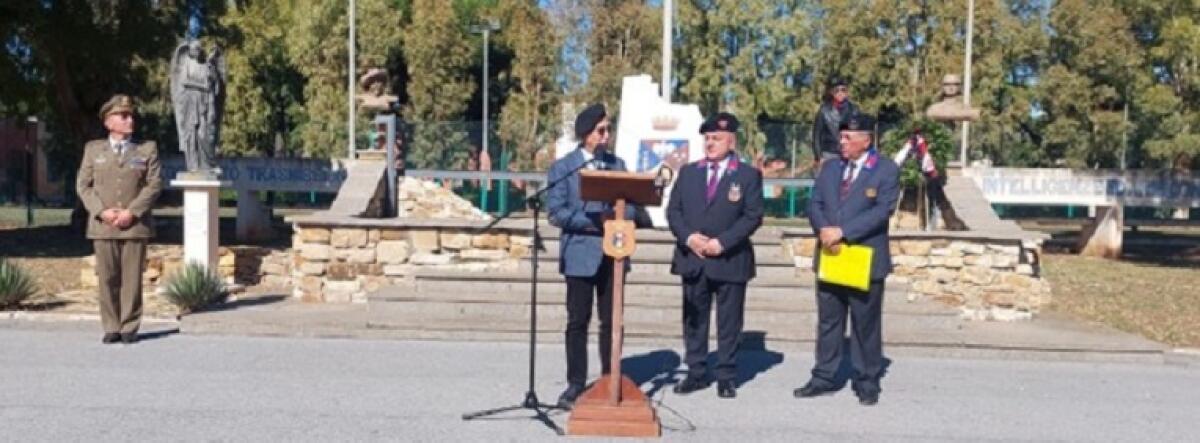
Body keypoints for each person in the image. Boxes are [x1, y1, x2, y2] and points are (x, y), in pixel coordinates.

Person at [794, 113, 899, 406]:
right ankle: (823, 377)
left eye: (848, 137)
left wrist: (843, 232)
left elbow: (882, 211)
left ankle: (867, 380)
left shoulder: (886, 169)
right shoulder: (830, 168)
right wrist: (823, 229)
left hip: (862, 257)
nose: (841, 142)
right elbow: (815, 204)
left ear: (866, 140)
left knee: (865, 323)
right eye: (841, 136)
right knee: (829, 322)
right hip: (831, 254)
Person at [666, 112, 764, 399]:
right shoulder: (689, 172)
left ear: (731, 141)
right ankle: (696, 372)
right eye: (707, 138)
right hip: (693, 257)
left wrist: (723, 242)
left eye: (717, 138)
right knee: (694, 319)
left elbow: (753, 216)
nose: (710, 143)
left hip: (729, 258)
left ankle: (726, 375)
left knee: (729, 321)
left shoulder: (746, 175)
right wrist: (689, 238)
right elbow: (674, 212)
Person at [545, 103, 636, 409]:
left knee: (612, 321)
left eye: (608, 129)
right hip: (580, 254)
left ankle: (610, 378)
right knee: (577, 321)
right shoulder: (564, 168)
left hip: (614, 253)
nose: (606, 136)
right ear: (586, 134)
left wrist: (619, 217)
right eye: (601, 130)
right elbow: (556, 212)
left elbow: (632, 206)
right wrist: (594, 222)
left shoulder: (617, 165)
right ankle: (575, 383)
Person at [75, 94, 163, 345]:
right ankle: (111, 326)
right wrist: (101, 211)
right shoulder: (94, 150)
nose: (129, 120)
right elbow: (83, 186)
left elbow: (154, 185)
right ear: (108, 122)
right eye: (123, 116)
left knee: (132, 279)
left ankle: (129, 326)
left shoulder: (146, 149)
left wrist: (132, 212)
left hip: (135, 225)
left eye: (131, 116)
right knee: (108, 278)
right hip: (103, 225)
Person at [811, 78, 860, 168]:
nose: (840, 93)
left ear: (847, 92)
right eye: (836, 90)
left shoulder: (854, 110)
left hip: (848, 153)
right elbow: (816, 136)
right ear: (832, 92)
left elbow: (858, 133)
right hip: (829, 153)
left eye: (843, 90)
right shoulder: (824, 111)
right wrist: (819, 157)